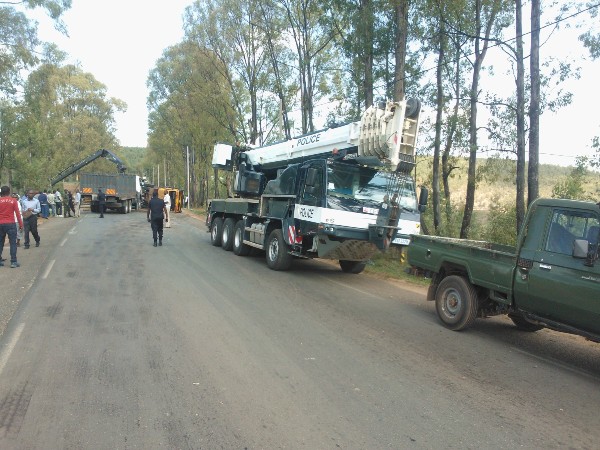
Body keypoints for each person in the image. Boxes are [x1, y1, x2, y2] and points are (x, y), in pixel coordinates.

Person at [0, 186, 23, 268]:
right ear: (9, 192)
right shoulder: (13, 201)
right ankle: (13, 262)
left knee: (0, 243)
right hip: (11, 224)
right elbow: (18, 213)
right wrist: (21, 224)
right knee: (13, 243)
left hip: (0, 224)